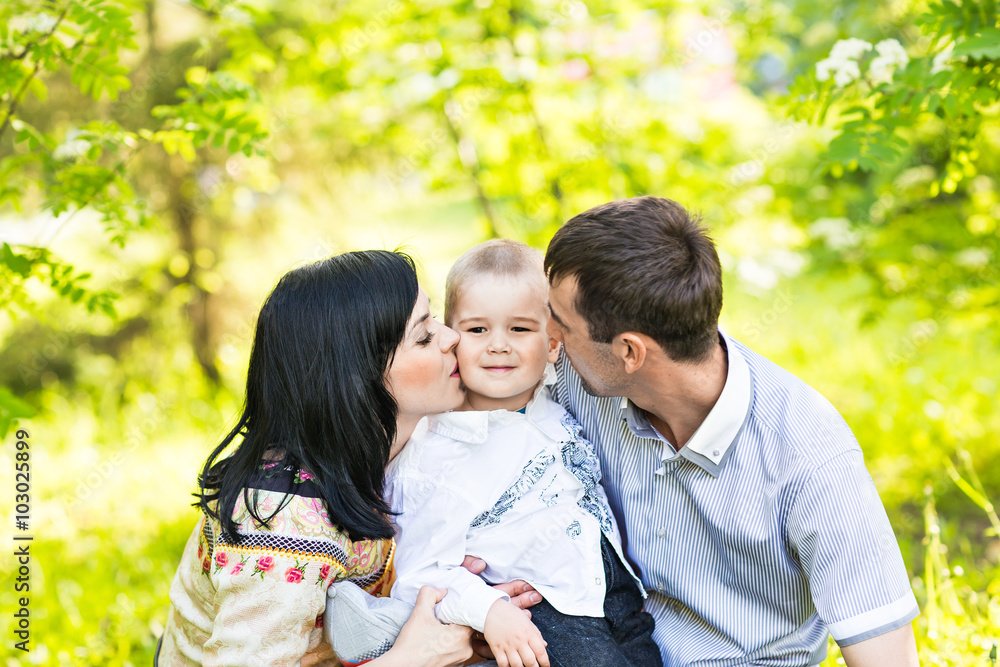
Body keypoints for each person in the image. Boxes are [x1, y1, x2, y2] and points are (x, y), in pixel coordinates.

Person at [534, 196, 921, 666]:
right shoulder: (576, 376)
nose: (546, 335)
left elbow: (885, 653)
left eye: (562, 323)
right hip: (605, 644)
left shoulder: (808, 451)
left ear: (630, 352)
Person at [157, 250, 477, 666]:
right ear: (356, 380)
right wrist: (415, 658)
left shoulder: (393, 451)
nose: (451, 337)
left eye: (433, 320)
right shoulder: (283, 520)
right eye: (423, 336)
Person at [384, 240, 662, 667]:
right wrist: (489, 611)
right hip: (540, 612)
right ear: (452, 339)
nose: (498, 345)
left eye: (519, 329)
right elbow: (418, 576)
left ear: (553, 345)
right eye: (478, 330)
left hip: (615, 596)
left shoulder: (553, 396)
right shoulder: (434, 454)